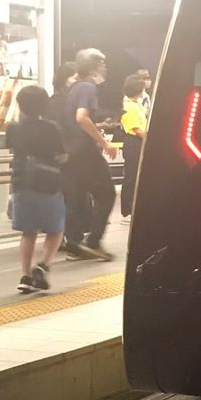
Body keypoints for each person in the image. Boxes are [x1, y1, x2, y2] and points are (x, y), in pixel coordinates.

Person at [6, 84, 66, 293]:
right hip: (48, 184)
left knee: (28, 232)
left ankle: (25, 275)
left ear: (20, 104)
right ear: (44, 105)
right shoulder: (51, 128)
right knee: (56, 230)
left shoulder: (12, 127)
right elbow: (62, 155)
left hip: (22, 183)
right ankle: (43, 264)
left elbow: (13, 149)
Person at [60, 47, 117, 261]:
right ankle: (93, 241)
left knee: (76, 198)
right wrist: (103, 143)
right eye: (102, 63)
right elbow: (81, 117)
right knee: (107, 194)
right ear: (94, 66)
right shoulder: (87, 87)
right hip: (85, 151)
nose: (105, 67)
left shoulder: (74, 87)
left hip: (71, 152)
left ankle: (75, 246)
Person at [119, 71, 149, 219]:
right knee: (131, 177)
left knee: (138, 176)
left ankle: (134, 208)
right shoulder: (128, 106)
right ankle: (127, 211)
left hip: (139, 143)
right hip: (133, 143)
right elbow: (137, 129)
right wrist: (150, 140)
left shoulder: (136, 104)